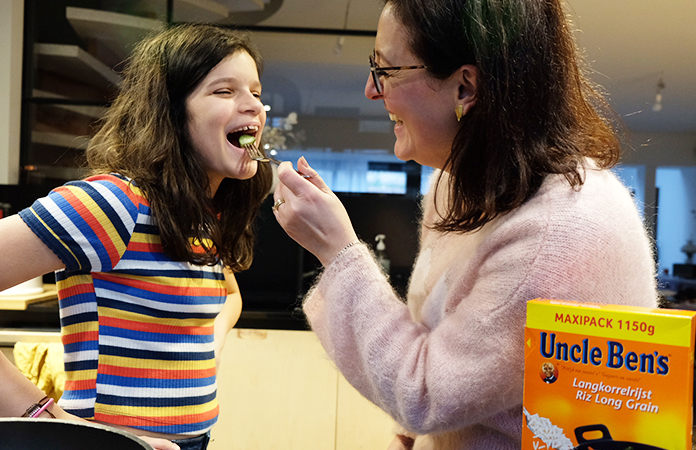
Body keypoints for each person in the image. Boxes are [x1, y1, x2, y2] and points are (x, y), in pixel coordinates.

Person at [271, 0, 659, 449]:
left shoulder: (559, 231)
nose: (371, 91)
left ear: (464, 87)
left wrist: (337, 251)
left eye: (386, 71)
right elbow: (443, 343)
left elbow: (427, 392)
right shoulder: (458, 185)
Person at [0, 23, 272, 450]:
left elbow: (227, 295)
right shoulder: (116, 203)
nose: (254, 107)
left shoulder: (199, 217)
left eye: (256, 92)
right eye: (225, 91)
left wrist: (200, 352)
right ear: (170, 110)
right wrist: (41, 414)